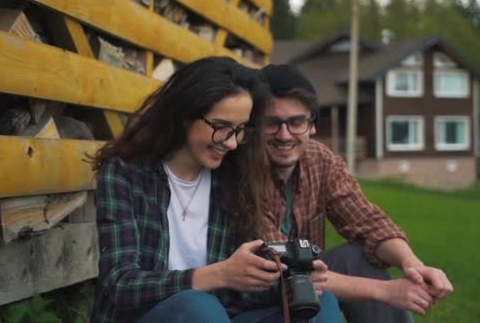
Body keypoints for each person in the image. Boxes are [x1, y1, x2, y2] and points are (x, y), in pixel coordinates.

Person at [89, 57, 336, 323]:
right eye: (221, 127)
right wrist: (220, 274)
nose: (231, 143)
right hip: (148, 317)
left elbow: (237, 296)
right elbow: (120, 283)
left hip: (219, 316)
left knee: (318, 302)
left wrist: (287, 278)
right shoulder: (126, 174)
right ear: (185, 115)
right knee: (197, 305)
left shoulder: (231, 178)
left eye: (240, 130)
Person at [258, 64, 454, 323]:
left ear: (312, 125)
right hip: (258, 291)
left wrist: (413, 265)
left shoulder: (321, 160)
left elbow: (369, 223)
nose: (284, 135)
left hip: (311, 281)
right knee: (317, 285)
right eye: (272, 123)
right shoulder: (242, 172)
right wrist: (384, 291)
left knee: (357, 257)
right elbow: (281, 265)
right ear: (253, 126)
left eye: (296, 122)